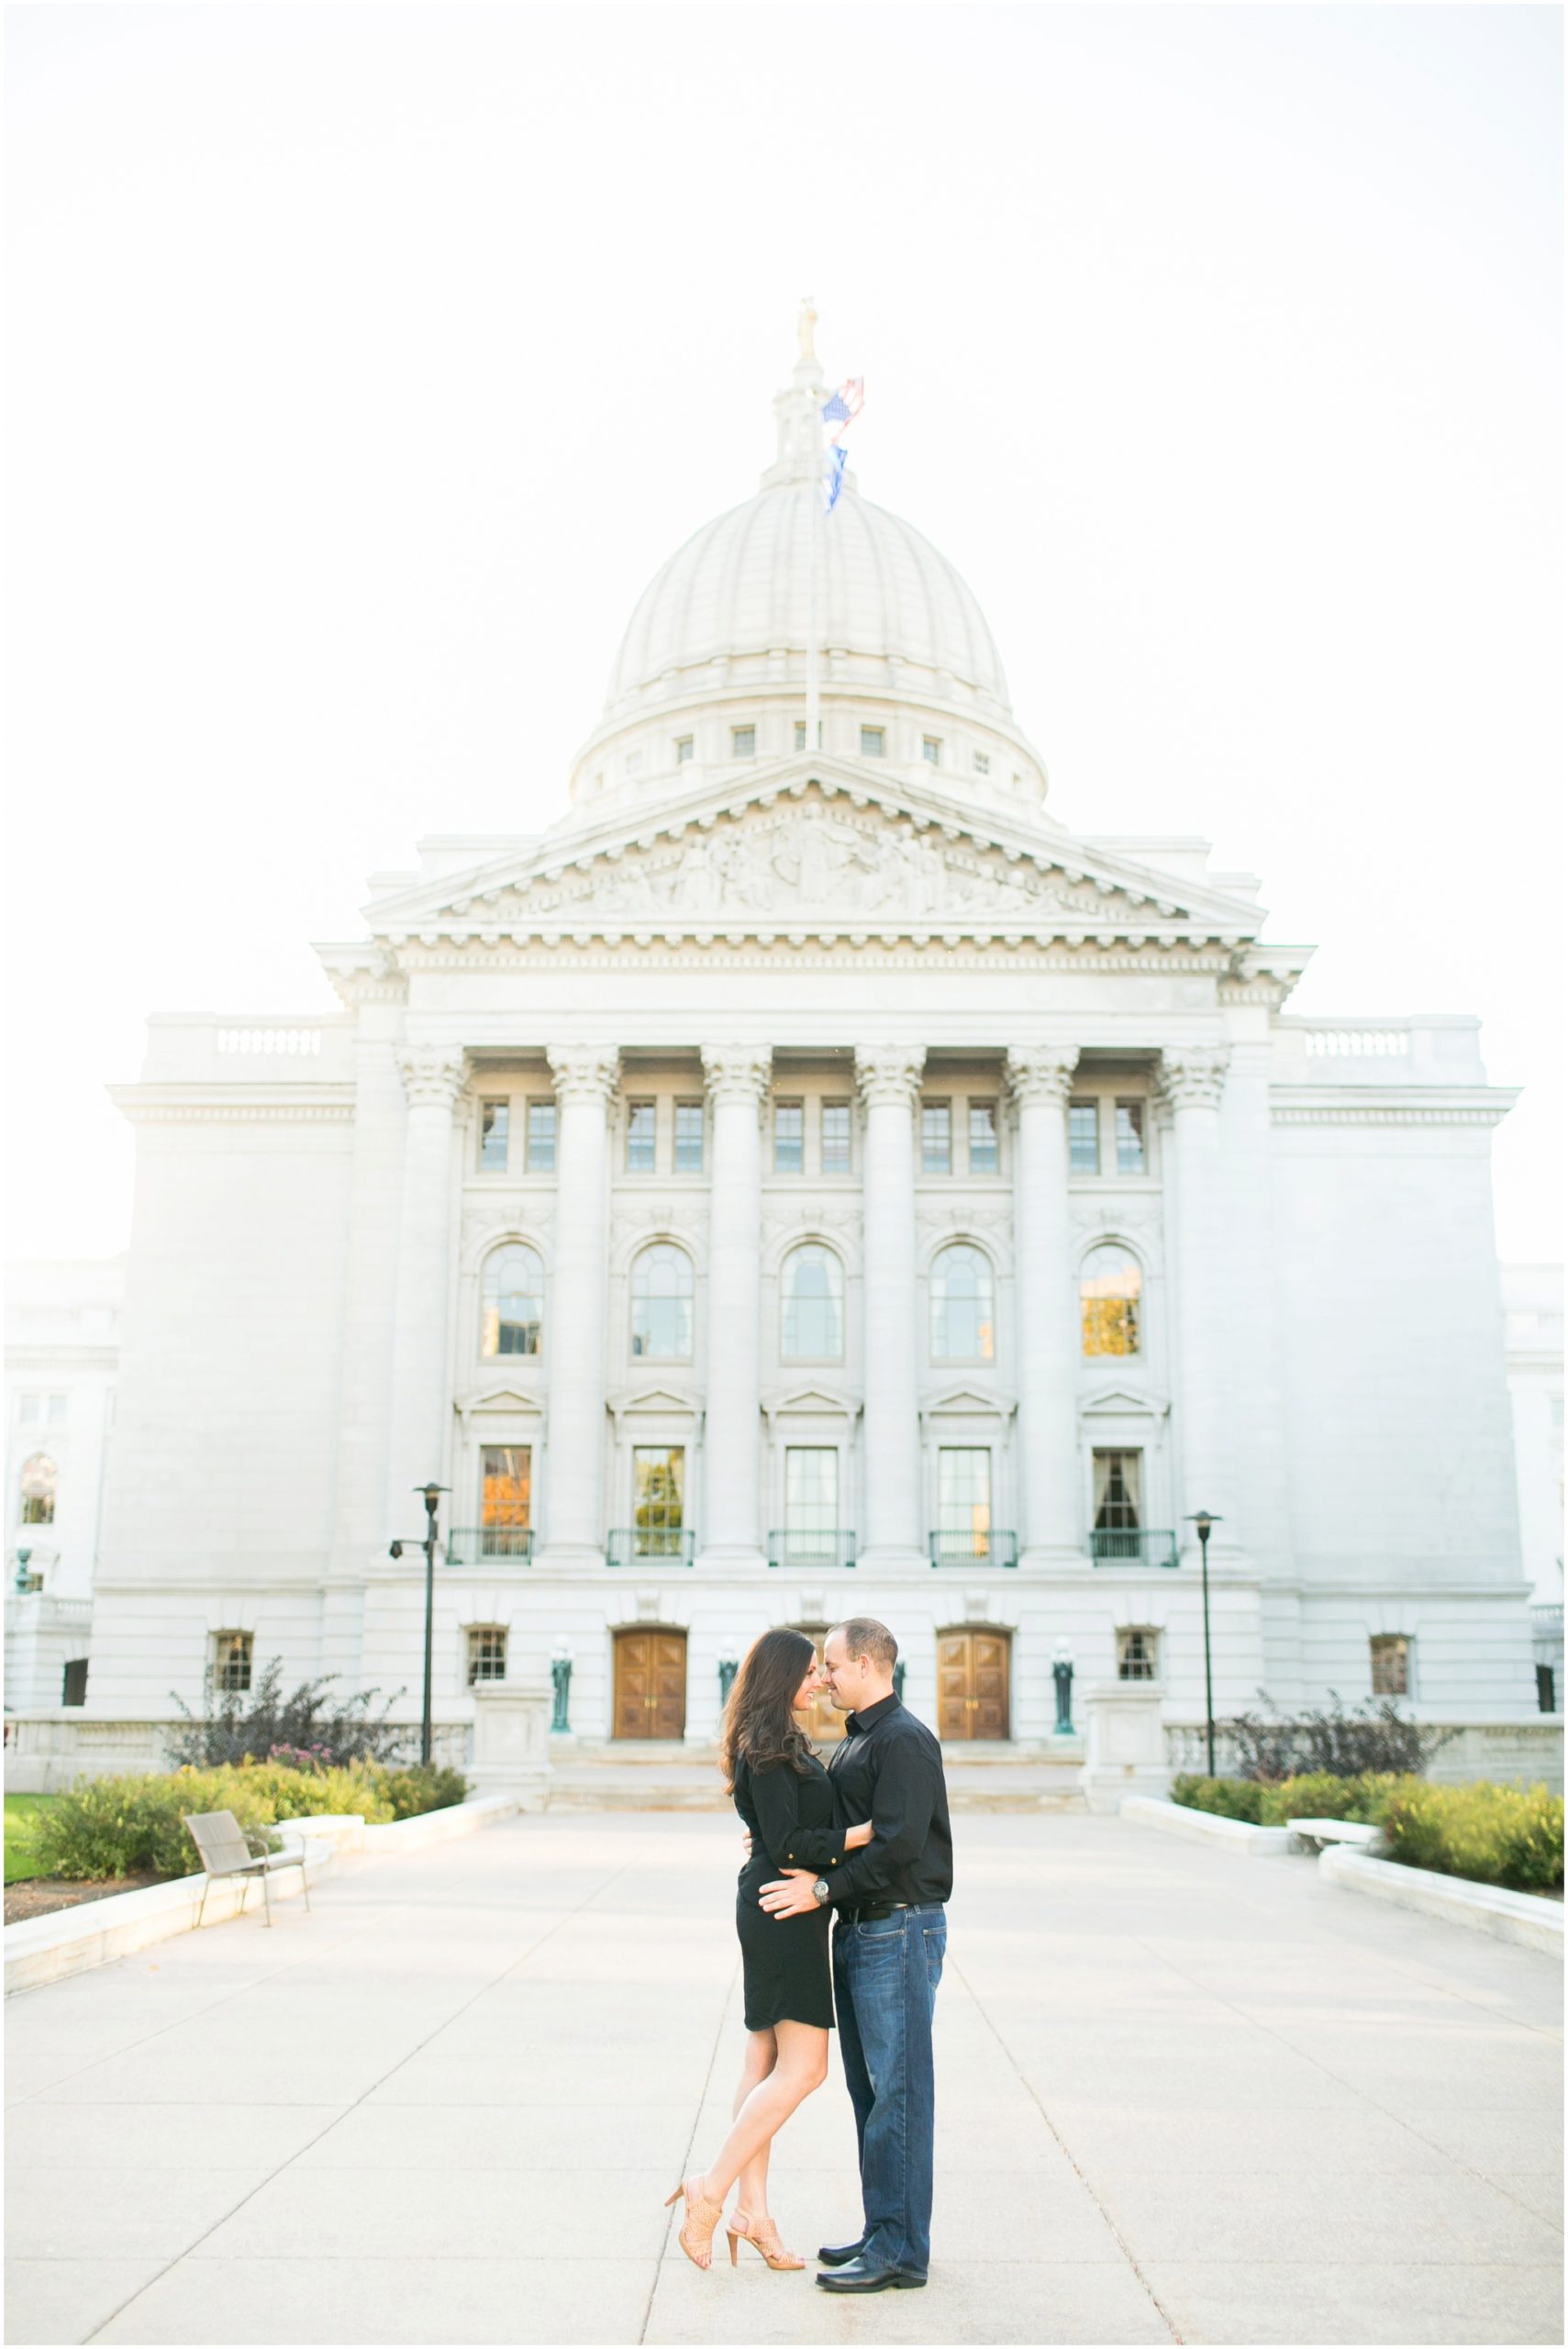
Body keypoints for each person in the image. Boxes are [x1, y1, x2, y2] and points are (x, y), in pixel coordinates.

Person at [664, 1627, 876, 2272]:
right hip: (781, 1906)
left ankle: (754, 2214)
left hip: (780, 1902)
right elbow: (787, 1841)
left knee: (762, 2059)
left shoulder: (777, 1739)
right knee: (804, 2068)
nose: (820, 1681)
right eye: (811, 1671)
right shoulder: (768, 1744)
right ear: (784, 1676)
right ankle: (711, 2186)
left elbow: (776, 1834)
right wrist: (869, 1832)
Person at [759, 1616, 953, 2294]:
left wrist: (822, 1889)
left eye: (833, 1666)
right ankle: (882, 2232)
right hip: (863, 1929)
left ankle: (901, 2252)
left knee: (898, 2093)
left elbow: (897, 1844)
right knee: (870, 2093)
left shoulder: (903, 1742)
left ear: (867, 1666)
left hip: (897, 1927)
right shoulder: (860, 1741)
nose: (825, 1677)